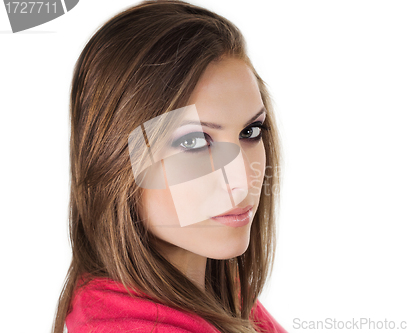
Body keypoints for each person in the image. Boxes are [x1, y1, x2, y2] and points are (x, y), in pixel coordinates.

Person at [50, 1, 286, 332]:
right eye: (193, 141)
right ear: (113, 159)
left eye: (250, 132)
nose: (242, 181)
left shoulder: (220, 293)